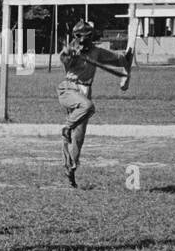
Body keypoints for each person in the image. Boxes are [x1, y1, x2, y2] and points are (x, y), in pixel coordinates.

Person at [57, 20, 132, 188]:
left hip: (85, 91)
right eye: (80, 38)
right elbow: (64, 57)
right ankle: (67, 128)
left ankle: (70, 169)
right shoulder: (71, 50)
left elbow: (116, 59)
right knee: (88, 107)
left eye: (87, 37)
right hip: (69, 90)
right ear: (76, 37)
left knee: (78, 137)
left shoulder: (96, 52)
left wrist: (126, 57)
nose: (83, 41)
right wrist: (71, 55)